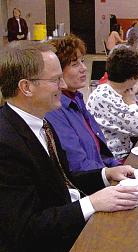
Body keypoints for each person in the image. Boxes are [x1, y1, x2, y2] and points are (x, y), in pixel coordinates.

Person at [0, 41, 138, 251]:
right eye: (56, 80)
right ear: (26, 87)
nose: (63, 86)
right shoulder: (6, 143)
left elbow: (62, 180)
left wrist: (106, 174)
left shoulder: (41, 124)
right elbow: (24, 229)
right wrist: (91, 203)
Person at [45, 35, 126, 174]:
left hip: (101, 172)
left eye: (82, 61)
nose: (84, 68)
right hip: (90, 184)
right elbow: (76, 165)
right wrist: (109, 173)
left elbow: (100, 151)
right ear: (57, 72)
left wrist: (116, 166)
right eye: (75, 64)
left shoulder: (76, 98)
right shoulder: (54, 109)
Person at [87, 46, 138, 160]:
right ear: (133, 77)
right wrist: (131, 102)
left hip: (127, 152)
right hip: (114, 159)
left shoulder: (125, 91)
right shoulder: (104, 97)